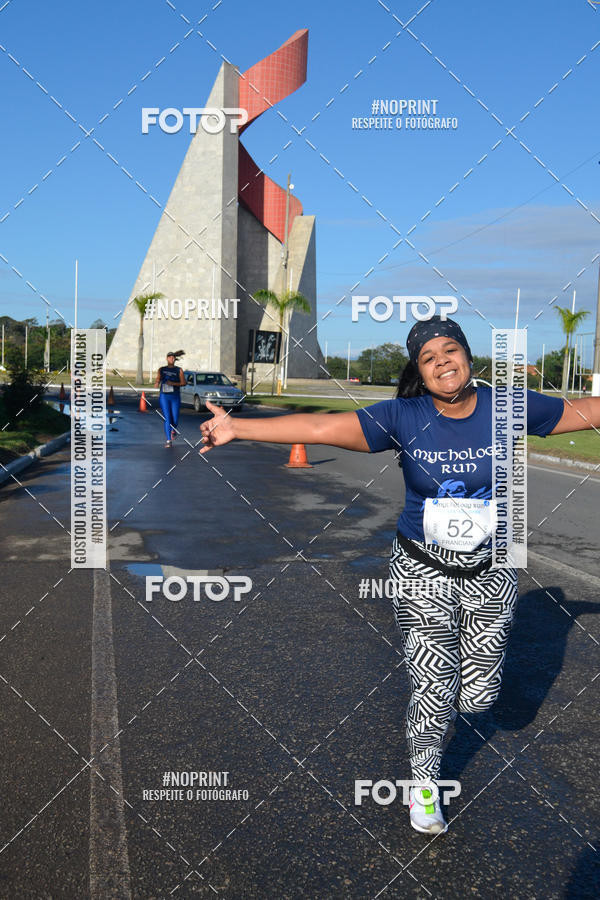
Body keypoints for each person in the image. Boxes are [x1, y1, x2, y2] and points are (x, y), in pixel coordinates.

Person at [198, 316, 599, 836]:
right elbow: (319, 429)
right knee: (433, 689)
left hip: (492, 569)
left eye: (450, 351)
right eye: (428, 358)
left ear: (468, 357)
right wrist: (239, 427)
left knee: (480, 699)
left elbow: (582, 411)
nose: (442, 363)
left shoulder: (507, 407)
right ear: (419, 371)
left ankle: (459, 703)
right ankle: (424, 788)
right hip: (422, 569)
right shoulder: (402, 416)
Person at [154, 351, 186, 448]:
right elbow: (158, 378)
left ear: (175, 359)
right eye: (169, 357)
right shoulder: (162, 369)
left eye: (173, 357)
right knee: (167, 418)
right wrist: (157, 382)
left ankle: (173, 430)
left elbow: (183, 383)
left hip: (175, 397)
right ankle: (168, 440)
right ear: (167, 358)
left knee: (175, 419)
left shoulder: (179, 370)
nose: (171, 359)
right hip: (164, 397)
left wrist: (173, 383)